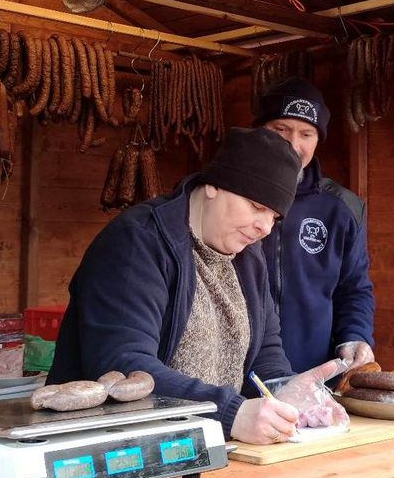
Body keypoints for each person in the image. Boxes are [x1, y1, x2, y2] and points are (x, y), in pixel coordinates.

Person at [49, 127, 343, 445]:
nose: (264, 228)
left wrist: (284, 391)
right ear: (215, 185)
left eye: (274, 217)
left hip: (209, 450)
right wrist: (230, 414)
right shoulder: (137, 242)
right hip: (112, 451)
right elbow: (123, 366)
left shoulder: (249, 256)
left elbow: (265, 351)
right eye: (257, 207)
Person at [254, 77, 375, 382]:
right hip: (234, 377)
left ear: (318, 139)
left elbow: (354, 288)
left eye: (306, 133)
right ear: (259, 130)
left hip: (315, 377)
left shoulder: (342, 208)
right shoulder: (227, 197)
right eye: (281, 130)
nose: (293, 145)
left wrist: (355, 335)